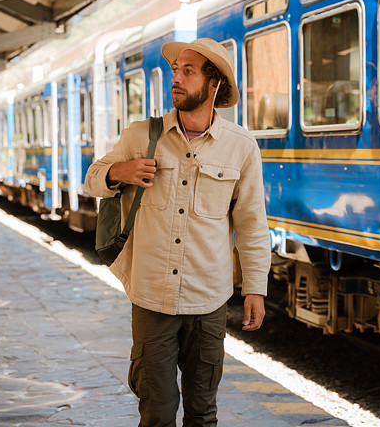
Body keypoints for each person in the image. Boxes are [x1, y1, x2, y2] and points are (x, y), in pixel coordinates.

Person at [85, 37, 271, 427]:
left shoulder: (241, 147)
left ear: (213, 84)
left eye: (188, 72)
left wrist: (255, 288)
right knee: (156, 412)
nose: (177, 79)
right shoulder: (140, 135)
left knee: (203, 413)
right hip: (152, 298)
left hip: (208, 302)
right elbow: (92, 180)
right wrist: (119, 172)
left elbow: (252, 223)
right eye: (175, 71)